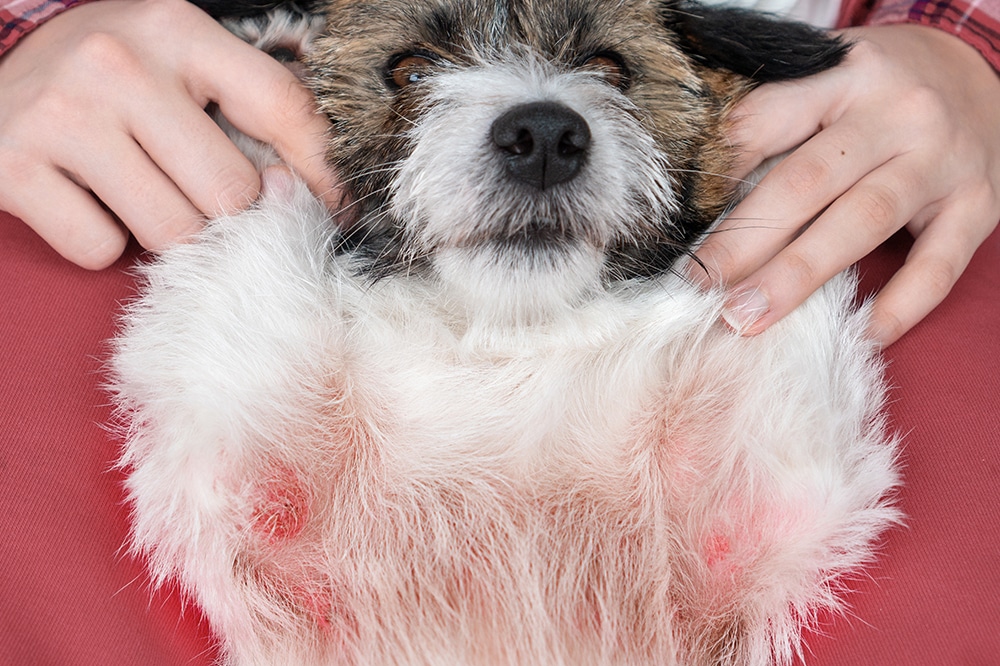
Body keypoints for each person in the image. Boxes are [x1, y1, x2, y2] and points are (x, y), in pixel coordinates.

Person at [1, 0, 999, 346]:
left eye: (604, 75)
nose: (541, 128)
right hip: (123, 169)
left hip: (847, 180)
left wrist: (969, 54)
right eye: (415, 74)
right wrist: (22, 38)